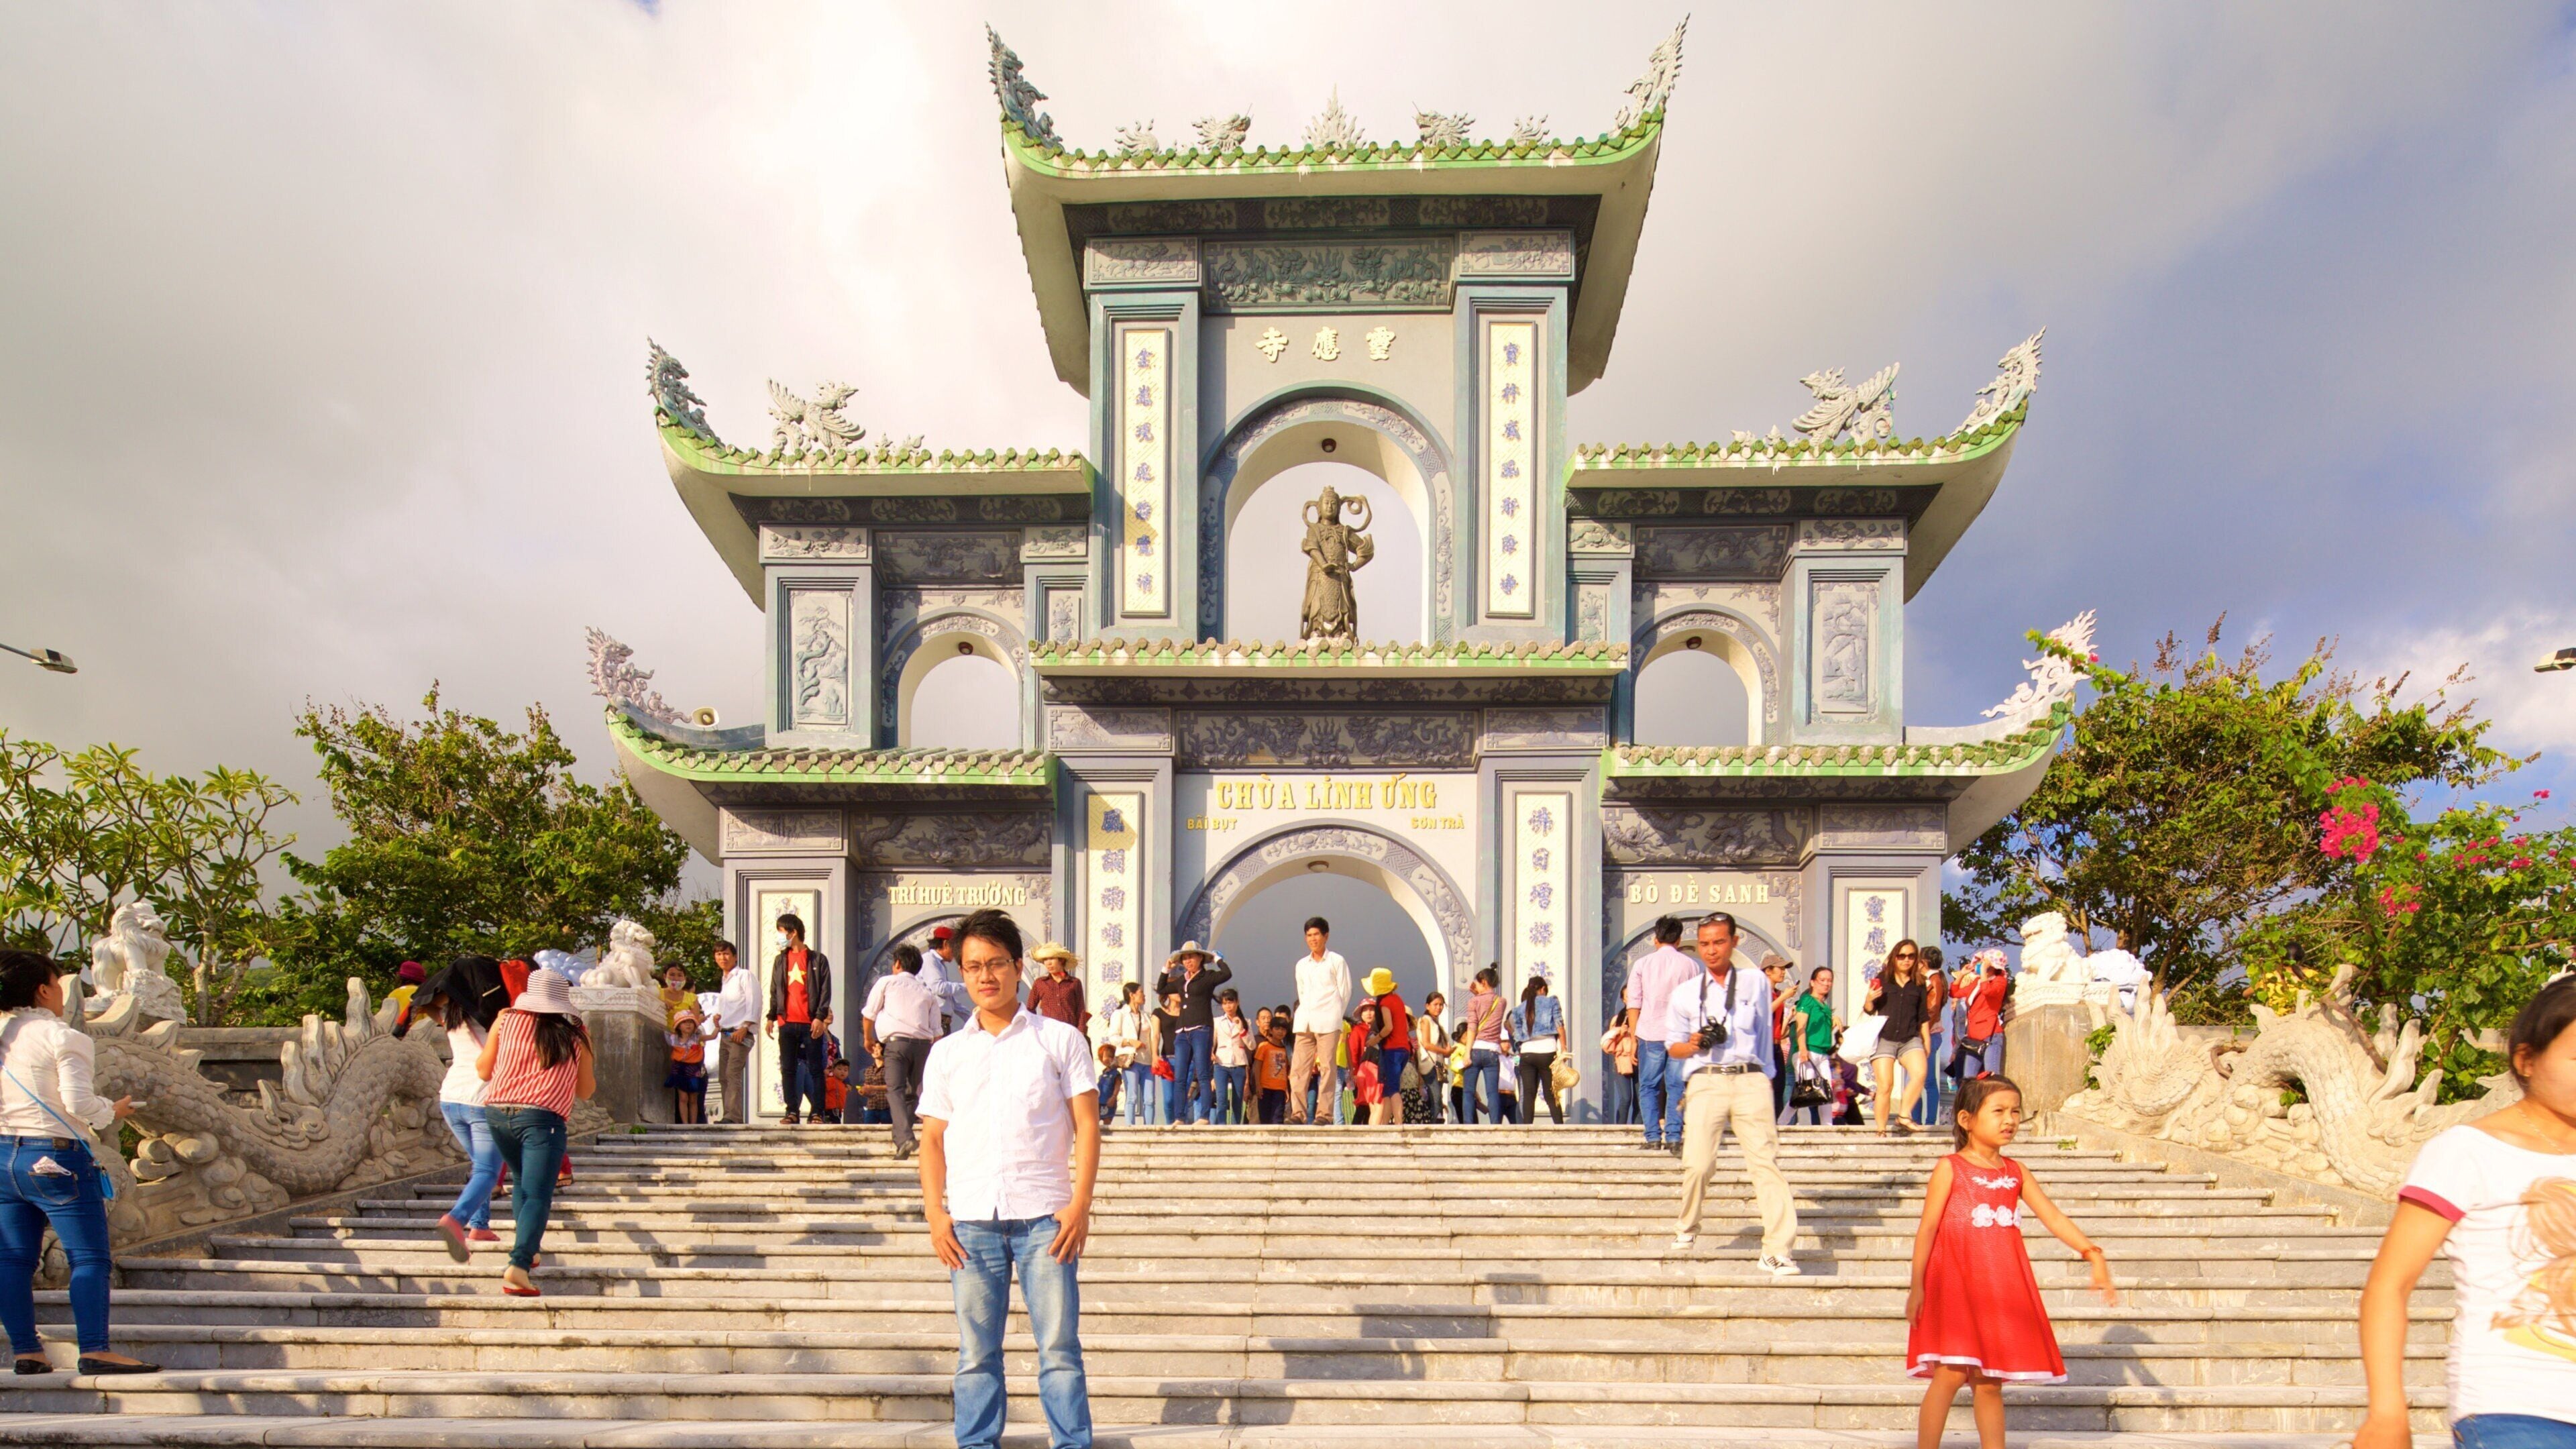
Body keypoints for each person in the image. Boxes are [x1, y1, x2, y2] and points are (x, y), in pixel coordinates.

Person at [2357, 974, 2576, 1449]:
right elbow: (2390, 1285)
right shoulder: (2469, 1151)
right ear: (2527, 1060)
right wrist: (2387, 1413)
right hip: (2518, 1412)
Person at [914, 908, 1099, 1449]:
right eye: (974, 966)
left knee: (1059, 1349)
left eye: (996, 963)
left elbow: (1088, 1125)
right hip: (972, 1221)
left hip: (1046, 1218)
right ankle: (976, 1443)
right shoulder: (947, 1053)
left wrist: (1080, 1205)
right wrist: (935, 1213)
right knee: (976, 1354)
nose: (985, 976)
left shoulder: (1059, 1040)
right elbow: (931, 1139)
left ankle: (1072, 1443)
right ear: (962, 973)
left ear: (1019, 968)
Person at [1907, 1075, 2115, 1449]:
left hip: (2000, 1289)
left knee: (1989, 1382)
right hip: (1956, 1288)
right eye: (1999, 1111)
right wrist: (1917, 1286)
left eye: (2016, 1112)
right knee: (1950, 1374)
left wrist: (2091, 1252)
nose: (2010, 1120)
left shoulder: (2016, 1172)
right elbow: (1927, 1229)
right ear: (1967, 1120)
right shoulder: (1951, 1167)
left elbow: (2053, 1217)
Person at [0, 949, 154, 1375]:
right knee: (89, 1258)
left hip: (4, 1157)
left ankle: (27, 1352)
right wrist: (113, 1110)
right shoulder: (63, 1037)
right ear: (43, 990)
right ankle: (95, 1349)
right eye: (59, 984)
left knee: (13, 1260)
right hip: (54, 1157)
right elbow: (79, 1103)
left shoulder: (3, 1035)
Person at [1666, 912, 1799, 1275]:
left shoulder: (1756, 982)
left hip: (1750, 1079)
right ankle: (1687, 1226)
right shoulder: (1686, 993)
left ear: (1734, 942)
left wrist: (1765, 1076)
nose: (1711, 950)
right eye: (1705, 944)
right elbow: (1673, 1047)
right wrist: (1694, 1044)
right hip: (1706, 1080)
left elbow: (1763, 1032)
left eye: (1719, 942)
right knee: (1698, 1164)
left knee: (1765, 1163)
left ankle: (1777, 1249)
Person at [475, 968, 596, 1297]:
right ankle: (518, 1265)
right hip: (543, 1120)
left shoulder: (505, 1022)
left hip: (497, 1113)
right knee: (539, 1194)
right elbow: (586, 1091)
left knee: (521, 1182)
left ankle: (529, 1248)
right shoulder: (575, 1036)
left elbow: (484, 1070)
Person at [418, 963, 504, 1256]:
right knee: (488, 1171)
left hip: (450, 1099)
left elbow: (426, 1003)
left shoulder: (451, 1016)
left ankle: (479, 1225)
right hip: (481, 1100)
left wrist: (450, 993)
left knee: (480, 1166)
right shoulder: (494, 1020)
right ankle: (456, 1219)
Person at [863, 943, 961, 1161]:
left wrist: (868, 1038)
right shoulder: (927, 992)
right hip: (923, 1046)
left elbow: (869, 1014)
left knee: (895, 1090)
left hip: (896, 1045)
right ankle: (903, 1143)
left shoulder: (887, 982)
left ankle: (905, 1137)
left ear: (897, 964)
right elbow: (937, 1032)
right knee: (913, 1093)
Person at [1624, 916, 1699, 1152]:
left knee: (1648, 1086)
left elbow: (1634, 1003)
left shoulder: (1642, 964)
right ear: (1679, 939)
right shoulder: (1691, 965)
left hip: (1650, 1033)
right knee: (1677, 1086)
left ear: (1656, 939)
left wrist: (1634, 1038)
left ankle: (1653, 1138)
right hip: (1680, 1035)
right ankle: (1674, 1137)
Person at [763, 914, 833, 1126]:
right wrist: (771, 1017)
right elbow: (774, 990)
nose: (779, 936)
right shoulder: (780, 960)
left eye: (782, 932)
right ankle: (792, 1111)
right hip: (787, 1023)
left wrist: (820, 1017)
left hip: (810, 1023)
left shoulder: (817, 959)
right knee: (788, 1069)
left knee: (816, 1068)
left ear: (793, 933)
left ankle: (817, 1112)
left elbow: (825, 991)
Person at [1155, 943, 1233, 1126]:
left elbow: (1227, 974)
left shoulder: (1208, 977)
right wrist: (1166, 968)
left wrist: (1217, 959)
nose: (1188, 961)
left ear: (1200, 958)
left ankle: (1204, 1117)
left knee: (1203, 1074)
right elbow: (1162, 989)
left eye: (1191, 957)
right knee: (1180, 1077)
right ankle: (1180, 1117)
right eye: (1184, 958)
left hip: (1201, 1029)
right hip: (1182, 1032)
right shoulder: (1182, 980)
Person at [1866, 941, 1937, 1136]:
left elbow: (1923, 1016)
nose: (1906, 960)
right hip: (1885, 1038)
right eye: (1902, 956)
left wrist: (1927, 1040)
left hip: (1910, 1038)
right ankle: (1881, 1130)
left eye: (1911, 956)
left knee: (1920, 1073)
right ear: (1895, 957)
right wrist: (1869, 998)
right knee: (1885, 1086)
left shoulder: (1919, 983)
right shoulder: (1883, 979)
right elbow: (1869, 1010)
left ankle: (1904, 1116)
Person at [1287, 918, 1351, 1126]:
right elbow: (1301, 992)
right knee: (1298, 1069)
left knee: (1328, 1069)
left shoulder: (1336, 961)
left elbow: (1345, 991)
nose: (1313, 939)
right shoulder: (1301, 964)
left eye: (1316, 934)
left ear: (1326, 936)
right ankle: (1298, 1114)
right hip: (1305, 1020)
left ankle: (1324, 1114)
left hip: (1328, 1020)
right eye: (1309, 935)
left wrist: (1335, 1014)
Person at [710, 941, 757, 1124]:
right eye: (719, 954)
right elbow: (732, 1007)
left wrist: (745, 1026)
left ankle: (733, 1117)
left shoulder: (744, 975)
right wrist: (718, 1018)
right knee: (723, 1076)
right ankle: (728, 1114)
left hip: (740, 1033)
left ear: (735, 956)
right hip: (725, 1033)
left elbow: (754, 1002)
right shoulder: (725, 980)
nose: (723, 958)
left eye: (726, 954)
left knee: (732, 1073)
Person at [1511, 975, 1568, 1125]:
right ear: (1543, 989)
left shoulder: (1519, 1009)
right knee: (1551, 1094)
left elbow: (1517, 1035)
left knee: (1529, 1095)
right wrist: (1564, 1048)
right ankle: (1560, 1128)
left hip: (1527, 1052)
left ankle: (1527, 1129)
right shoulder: (1551, 1001)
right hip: (1547, 1051)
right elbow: (1560, 1025)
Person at [1785, 966, 1838, 1126]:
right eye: (1822, 980)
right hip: (1808, 1051)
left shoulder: (1824, 1007)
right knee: (1805, 1091)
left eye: (1829, 981)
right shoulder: (1807, 1000)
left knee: (1826, 1091)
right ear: (1813, 982)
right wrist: (1803, 1050)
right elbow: (1801, 1026)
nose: (1826, 984)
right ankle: (1782, 1123)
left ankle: (1828, 1126)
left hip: (1822, 1053)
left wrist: (1834, 1020)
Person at [1947, 949, 2010, 1083]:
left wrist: (1983, 972)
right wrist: (1962, 975)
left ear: (1991, 966)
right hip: (1974, 1037)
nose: (1979, 964)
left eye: (1983, 962)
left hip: (1990, 1034)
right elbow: (1954, 992)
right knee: (1968, 1080)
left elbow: (1987, 991)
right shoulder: (1977, 983)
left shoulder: (2000, 981)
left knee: (1991, 1077)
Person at [1360, 970, 1413, 1126]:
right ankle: (1385, 1124)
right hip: (1404, 1049)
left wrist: (1375, 1040)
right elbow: (1404, 1026)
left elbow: (1388, 1027)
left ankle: (1398, 1124)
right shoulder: (1397, 1000)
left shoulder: (1385, 1003)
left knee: (1393, 1089)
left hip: (1393, 1050)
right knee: (1387, 1090)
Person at [1094, 981, 1150, 1127]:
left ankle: (1150, 1127)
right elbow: (1113, 1037)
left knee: (1150, 1099)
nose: (1144, 995)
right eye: (1141, 992)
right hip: (1131, 1060)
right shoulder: (1120, 1014)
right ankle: (1130, 1127)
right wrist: (1130, 1042)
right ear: (1132, 995)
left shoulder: (1146, 1016)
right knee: (1132, 1096)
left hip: (1147, 1061)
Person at [1459, 967, 1509, 1124]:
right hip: (1492, 1051)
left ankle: (1468, 1125)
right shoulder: (1502, 1002)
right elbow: (1488, 1006)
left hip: (1476, 1049)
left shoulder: (1473, 1002)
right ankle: (1495, 1124)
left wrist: (1467, 1053)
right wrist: (1478, 994)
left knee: (1468, 1091)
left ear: (1484, 982)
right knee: (1492, 1092)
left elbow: (1472, 1028)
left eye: (1478, 983)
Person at [1410, 992, 1451, 1124]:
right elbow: (1427, 1044)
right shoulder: (1426, 1020)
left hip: (1439, 1064)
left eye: (1441, 1005)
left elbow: (1444, 1050)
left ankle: (1434, 1123)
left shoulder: (1437, 1023)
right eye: (1435, 1004)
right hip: (1429, 1064)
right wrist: (1445, 1051)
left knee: (1438, 1098)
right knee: (1436, 1098)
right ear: (1427, 1006)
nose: (1438, 1008)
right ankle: (1431, 1126)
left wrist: (1447, 1052)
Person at [1764, 955, 1796, 1120]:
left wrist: (1789, 1018)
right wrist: (1784, 997)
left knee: (1779, 1088)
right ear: (1768, 971)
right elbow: (1764, 1012)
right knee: (1767, 1089)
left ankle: (1775, 1125)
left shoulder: (1777, 994)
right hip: (1765, 1047)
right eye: (1780, 969)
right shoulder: (1761, 991)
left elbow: (1780, 1031)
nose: (1783, 972)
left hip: (1776, 1046)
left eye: (1784, 969)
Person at [1212, 989, 1252, 1125]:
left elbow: (1252, 1045)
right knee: (1221, 1099)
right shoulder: (1217, 1022)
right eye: (1225, 1003)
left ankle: (1235, 1128)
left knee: (1238, 1100)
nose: (1228, 1006)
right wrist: (1211, 1052)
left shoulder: (1245, 1022)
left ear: (1237, 1002)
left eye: (1231, 1002)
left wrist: (1241, 1029)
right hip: (1221, 1062)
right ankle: (1221, 1126)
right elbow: (1212, 1042)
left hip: (1239, 1063)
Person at [1028, 943, 1087, 1030]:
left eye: (1052, 958)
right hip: (1048, 1031)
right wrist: (1035, 1028)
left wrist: (1081, 1030)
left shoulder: (1074, 983)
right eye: (1045, 960)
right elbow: (1030, 1008)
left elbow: (1080, 1009)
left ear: (1061, 960)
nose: (1048, 963)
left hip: (1070, 1030)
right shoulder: (1040, 983)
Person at [1344, 1002, 1382, 1124]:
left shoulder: (1380, 1030)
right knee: (1363, 1104)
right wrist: (1354, 1072)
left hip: (1377, 1073)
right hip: (1363, 1073)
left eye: (1372, 1010)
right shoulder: (1358, 1030)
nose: (1369, 1013)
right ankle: (1354, 1130)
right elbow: (1353, 1051)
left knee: (1371, 1106)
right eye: (1365, 1010)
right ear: (1361, 1014)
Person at [1150, 989, 1183, 1127]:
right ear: (1168, 993)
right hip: (1167, 1059)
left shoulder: (1187, 1012)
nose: (1179, 993)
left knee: (1183, 1098)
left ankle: (1182, 1126)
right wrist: (1154, 1055)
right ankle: (1170, 1125)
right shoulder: (1159, 1012)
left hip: (1186, 1060)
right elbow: (1156, 1035)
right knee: (1169, 1099)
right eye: (1176, 991)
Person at [1601, 1010, 1640, 1126]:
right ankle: (1620, 1128)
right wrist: (1621, 1034)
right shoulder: (1618, 1019)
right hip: (1622, 1061)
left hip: (1639, 1060)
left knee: (1640, 1099)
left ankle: (1638, 1129)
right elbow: (1610, 1046)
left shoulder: (1642, 1017)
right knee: (1626, 1098)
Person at [1253, 1019, 1291, 1124]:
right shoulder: (1264, 1046)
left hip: (1280, 1089)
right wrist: (1258, 1085)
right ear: (1270, 1030)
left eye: (1283, 1029)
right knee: (1265, 1118)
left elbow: (1286, 1070)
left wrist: (1286, 1089)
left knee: (1278, 1118)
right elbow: (1257, 1066)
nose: (1280, 1032)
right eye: (1277, 1029)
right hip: (1265, 1088)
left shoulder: (1286, 1050)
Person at [1092, 1044, 1123, 1127]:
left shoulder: (1116, 1074)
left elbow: (1117, 1086)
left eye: (1111, 1057)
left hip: (1109, 1101)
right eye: (1105, 1056)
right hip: (1099, 1101)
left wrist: (1114, 1097)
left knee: (1107, 1120)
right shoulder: (1102, 1074)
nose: (1108, 1059)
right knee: (1095, 1119)